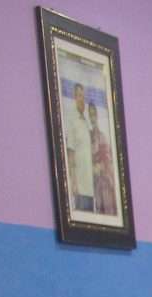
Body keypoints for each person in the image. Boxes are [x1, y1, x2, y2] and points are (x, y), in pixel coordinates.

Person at [63, 82, 95, 213]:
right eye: (80, 96)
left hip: (91, 189)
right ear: (75, 97)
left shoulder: (87, 123)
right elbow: (70, 153)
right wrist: (74, 183)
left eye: (84, 96)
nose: (82, 100)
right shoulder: (72, 121)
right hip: (80, 189)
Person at [89, 101, 116, 217]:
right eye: (90, 114)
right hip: (94, 182)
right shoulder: (88, 136)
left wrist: (102, 167)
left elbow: (107, 158)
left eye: (94, 114)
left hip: (104, 180)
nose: (92, 117)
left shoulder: (102, 136)